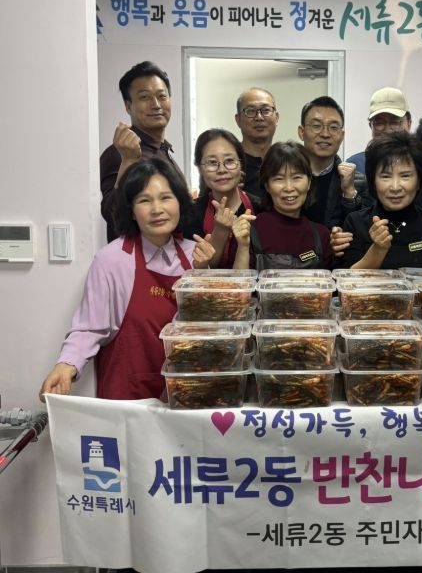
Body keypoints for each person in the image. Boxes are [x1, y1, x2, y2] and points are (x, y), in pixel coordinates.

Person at [39, 159, 215, 402]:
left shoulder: (196, 254)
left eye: (165, 197)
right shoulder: (112, 260)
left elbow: (205, 328)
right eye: (144, 200)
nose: (157, 209)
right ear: (131, 210)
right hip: (126, 397)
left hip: (183, 394)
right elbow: (90, 327)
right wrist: (66, 365)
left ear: (179, 202)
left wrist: (203, 273)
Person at [336, 131, 422, 269]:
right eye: (386, 176)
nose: (395, 187)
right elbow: (347, 279)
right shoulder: (355, 223)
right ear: (373, 181)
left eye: (405, 176)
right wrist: (378, 249)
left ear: (419, 180)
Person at [100, 61, 184, 243]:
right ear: (128, 106)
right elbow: (112, 215)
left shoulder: (162, 149)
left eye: (162, 96)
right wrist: (128, 161)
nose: (156, 105)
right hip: (139, 258)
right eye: (145, 97)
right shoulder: (119, 154)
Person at [231, 141, 332, 271]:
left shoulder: (321, 235)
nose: (289, 188)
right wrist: (243, 246)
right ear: (267, 185)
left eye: (296, 177)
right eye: (279, 179)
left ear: (309, 183)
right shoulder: (248, 231)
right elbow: (239, 283)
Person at [184, 128, 261, 268]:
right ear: (200, 169)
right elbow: (199, 269)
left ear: (241, 165)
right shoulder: (191, 213)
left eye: (229, 161)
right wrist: (220, 232)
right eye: (212, 162)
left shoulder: (261, 208)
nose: (222, 170)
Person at [297, 95, 369, 229]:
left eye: (334, 127)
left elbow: (362, 230)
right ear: (301, 132)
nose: (325, 134)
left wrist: (349, 193)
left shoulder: (358, 182)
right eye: (316, 126)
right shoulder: (284, 177)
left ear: (342, 136)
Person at [345, 86, 412, 174]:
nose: (387, 130)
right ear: (371, 126)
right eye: (379, 123)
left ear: (409, 123)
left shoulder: (421, 162)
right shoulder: (355, 166)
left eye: (394, 122)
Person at [234, 87, 279, 199]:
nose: (259, 117)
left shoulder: (285, 160)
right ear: (238, 120)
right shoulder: (228, 164)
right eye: (250, 111)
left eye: (266, 110)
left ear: (277, 118)